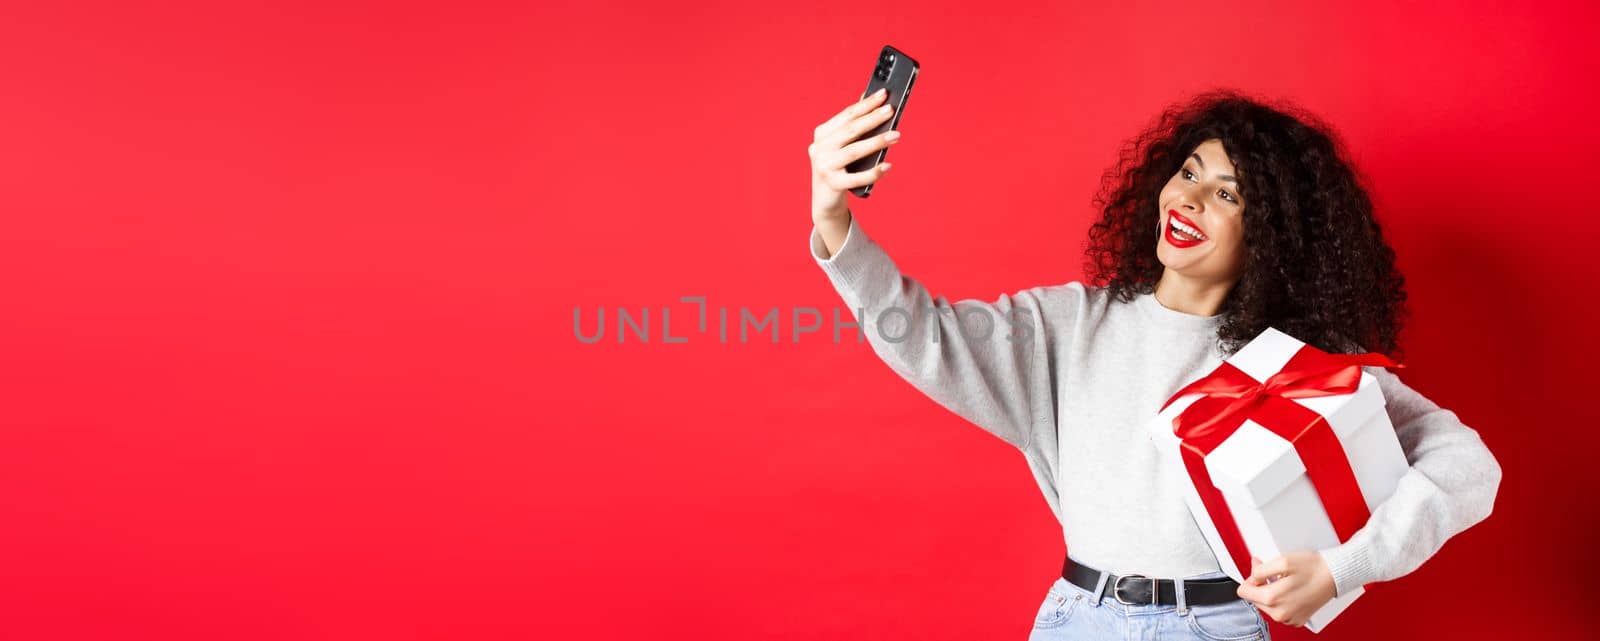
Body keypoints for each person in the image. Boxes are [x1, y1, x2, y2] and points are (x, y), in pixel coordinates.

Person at [804, 88, 1502, 640]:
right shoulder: (1071, 325)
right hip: (1077, 619)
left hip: (1213, 626)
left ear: (1273, 236)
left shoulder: (1299, 363)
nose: (1191, 197)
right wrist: (833, 214)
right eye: (1190, 172)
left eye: (1228, 194)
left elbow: (1467, 468)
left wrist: (1342, 566)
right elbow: (925, 334)